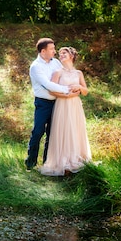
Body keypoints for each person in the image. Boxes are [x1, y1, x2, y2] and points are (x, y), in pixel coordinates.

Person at [25, 38, 78, 171]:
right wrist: (67, 90)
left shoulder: (56, 63)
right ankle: (30, 163)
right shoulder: (36, 66)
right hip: (43, 103)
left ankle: (47, 163)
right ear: (43, 51)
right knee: (38, 132)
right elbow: (48, 84)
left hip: (57, 102)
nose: (55, 52)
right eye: (52, 49)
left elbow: (64, 76)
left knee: (52, 133)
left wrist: (74, 86)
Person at [39, 46, 91, 176]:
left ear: (72, 56)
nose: (61, 55)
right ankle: (63, 162)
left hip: (75, 106)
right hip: (62, 104)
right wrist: (67, 95)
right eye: (60, 53)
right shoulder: (58, 72)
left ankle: (75, 158)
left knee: (75, 130)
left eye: (64, 53)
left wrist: (79, 86)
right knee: (64, 130)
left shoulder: (79, 73)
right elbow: (52, 90)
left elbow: (85, 92)